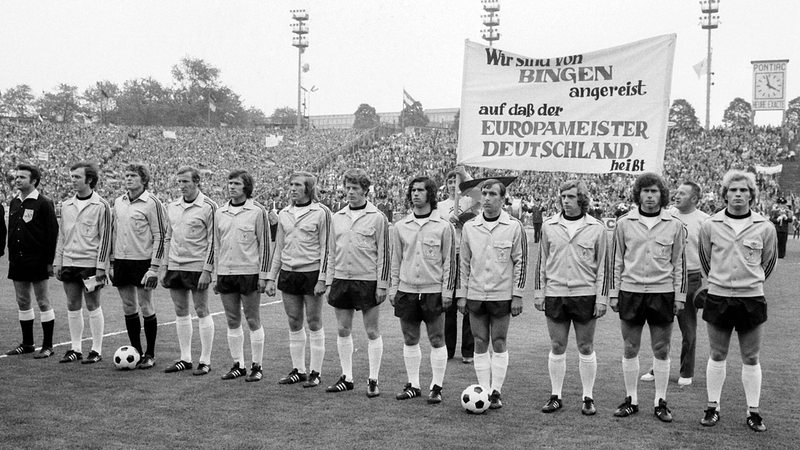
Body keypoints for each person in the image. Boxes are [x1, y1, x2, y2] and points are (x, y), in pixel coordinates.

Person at [698, 170, 777, 432]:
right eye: (733, 190)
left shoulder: (765, 226)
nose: (738, 194)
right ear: (725, 194)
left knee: (751, 356)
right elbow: (706, 261)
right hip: (719, 296)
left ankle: (753, 411)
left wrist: (748, 282)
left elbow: (768, 263)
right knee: (717, 354)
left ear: (752, 194)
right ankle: (712, 407)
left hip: (751, 297)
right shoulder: (711, 224)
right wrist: (722, 282)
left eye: (743, 190)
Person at [607, 172, 687, 423]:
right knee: (630, 347)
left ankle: (660, 401)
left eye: (654, 191)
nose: (650, 196)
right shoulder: (623, 223)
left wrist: (680, 296)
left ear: (662, 195)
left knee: (661, 348)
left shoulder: (675, 224)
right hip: (630, 292)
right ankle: (631, 399)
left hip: (662, 293)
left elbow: (680, 263)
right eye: (645, 191)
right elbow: (616, 260)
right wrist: (613, 292)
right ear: (638, 194)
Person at [534, 180, 607, 416]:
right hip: (555, 293)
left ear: (582, 200)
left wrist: (601, 298)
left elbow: (603, 267)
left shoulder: (596, 228)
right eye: (563, 196)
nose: (566, 200)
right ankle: (556, 395)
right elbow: (542, 262)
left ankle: (588, 396)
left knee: (585, 346)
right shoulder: (549, 225)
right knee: (557, 346)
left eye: (571, 196)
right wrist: (539, 292)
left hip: (584, 294)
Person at [457, 178, 527, 410]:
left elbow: (521, 262)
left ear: (502, 198)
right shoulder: (470, 227)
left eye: (492, 194)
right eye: (484, 193)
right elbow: (464, 264)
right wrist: (462, 294)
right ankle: (483, 390)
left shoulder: (514, 226)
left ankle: (496, 391)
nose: (487, 198)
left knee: (498, 341)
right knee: (479, 341)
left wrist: (517, 294)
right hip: (476, 293)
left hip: (501, 294)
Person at [389, 176, 457, 404]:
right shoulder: (400, 226)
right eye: (413, 190)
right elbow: (395, 260)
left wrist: (448, 291)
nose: (415, 194)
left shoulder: (444, 226)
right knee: (410, 337)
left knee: (437, 338)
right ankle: (413, 384)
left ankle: (436, 386)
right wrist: (393, 288)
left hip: (433, 290)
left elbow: (449, 262)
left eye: (420, 190)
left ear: (430, 194)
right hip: (407, 290)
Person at [325, 168, 390, 398]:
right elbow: (331, 252)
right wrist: (329, 280)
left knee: (372, 331)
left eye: (355, 188)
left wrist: (382, 284)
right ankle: (347, 377)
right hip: (342, 279)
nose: (350, 192)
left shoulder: (377, 217)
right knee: (343, 329)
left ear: (365, 190)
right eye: (348, 188)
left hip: (367, 280)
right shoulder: (337, 217)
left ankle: (373, 379)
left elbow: (384, 254)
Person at [266, 171, 331, 388]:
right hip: (288, 272)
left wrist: (322, 278)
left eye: (298, 185)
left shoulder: (321, 212)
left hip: (311, 272)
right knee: (294, 321)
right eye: (291, 184)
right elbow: (278, 247)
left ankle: (316, 371)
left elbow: (326, 248)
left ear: (308, 189)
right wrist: (270, 277)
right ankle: (298, 370)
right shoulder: (284, 213)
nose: (292, 188)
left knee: (313, 322)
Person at [641, 181, 709, 387]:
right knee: (661, 325)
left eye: (682, 193)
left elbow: (710, 253)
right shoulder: (667, 215)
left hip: (691, 277)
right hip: (666, 276)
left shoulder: (705, 221)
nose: (676, 196)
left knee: (688, 328)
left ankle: (686, 371)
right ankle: (658, 366)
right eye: (677, 192)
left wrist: (707, 281)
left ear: (695, 199)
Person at [214, 170, 271, 382]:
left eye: (237, 183)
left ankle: (257, 365)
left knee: (252, 318)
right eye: (230, 183)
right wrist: (215, 275)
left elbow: (265, 244)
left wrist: (264, 275)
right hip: (226, 272)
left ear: (246, 187)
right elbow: (216, 244)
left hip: (249, 272)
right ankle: (238, 364)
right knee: (232, 319)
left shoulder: (257, 211)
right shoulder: (220, 212)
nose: (232, 187)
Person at [160, 166, 217, 375]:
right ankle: (185, 358)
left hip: (197, 265)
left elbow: (213, 241)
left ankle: (205, 360)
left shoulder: (209, 206)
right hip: (175, 264)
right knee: (180, 311)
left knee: (201, 310)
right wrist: (165, 265)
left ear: (197, 182)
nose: (182, 186)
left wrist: (207, 270)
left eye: (185, 181)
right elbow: (168, 237)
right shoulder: (172, 206)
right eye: (179, 182)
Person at [54, 161, 112, 364]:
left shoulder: (101, 205)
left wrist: (101, 266)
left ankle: (96, 349)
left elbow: (105, 238)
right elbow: (61, 236)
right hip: (70, 261)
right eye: (71, 177)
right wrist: (58, 261)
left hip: (90, 263)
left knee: (93, 304)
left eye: (77, 177)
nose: (73, 180)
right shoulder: (66, 205)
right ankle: (75, 348)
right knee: (72, 304)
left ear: (89, 180)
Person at [111, 164, 167, 369]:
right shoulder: (118, 201)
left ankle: (150, 353)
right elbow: (114, 233)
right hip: (121, 260)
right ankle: (136, 351)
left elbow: (161, 235)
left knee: (146, 305)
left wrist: (154, 266)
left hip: (143, 261)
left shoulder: (152, 203)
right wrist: (111, 261)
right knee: (128, 306)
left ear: (143, 180)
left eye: (133, 175)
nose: (128, 178)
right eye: (126, 175)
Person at [5, 164, 59, 359]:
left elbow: (52, 234)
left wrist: (49, 262)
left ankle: (47, 345)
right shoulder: (14, 203)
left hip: (37, 260)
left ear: (34, 181)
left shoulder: (44, 203)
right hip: (18, 260)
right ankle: (27, 343)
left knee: (43, 302)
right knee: (22, 301)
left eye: (22, 177)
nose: (17, 180)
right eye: (16, 177)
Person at [435, 166, 476, 364]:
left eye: (456, 182)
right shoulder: (441, 205)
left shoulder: (469, 200)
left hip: (467, 255)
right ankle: (448, 349)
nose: (453, 185)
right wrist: (447, 221)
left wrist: (465, 175)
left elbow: (478, 191)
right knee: (448, 302)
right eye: (450, 182)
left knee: (467, 301)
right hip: (449, 256)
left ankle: (468, 351)